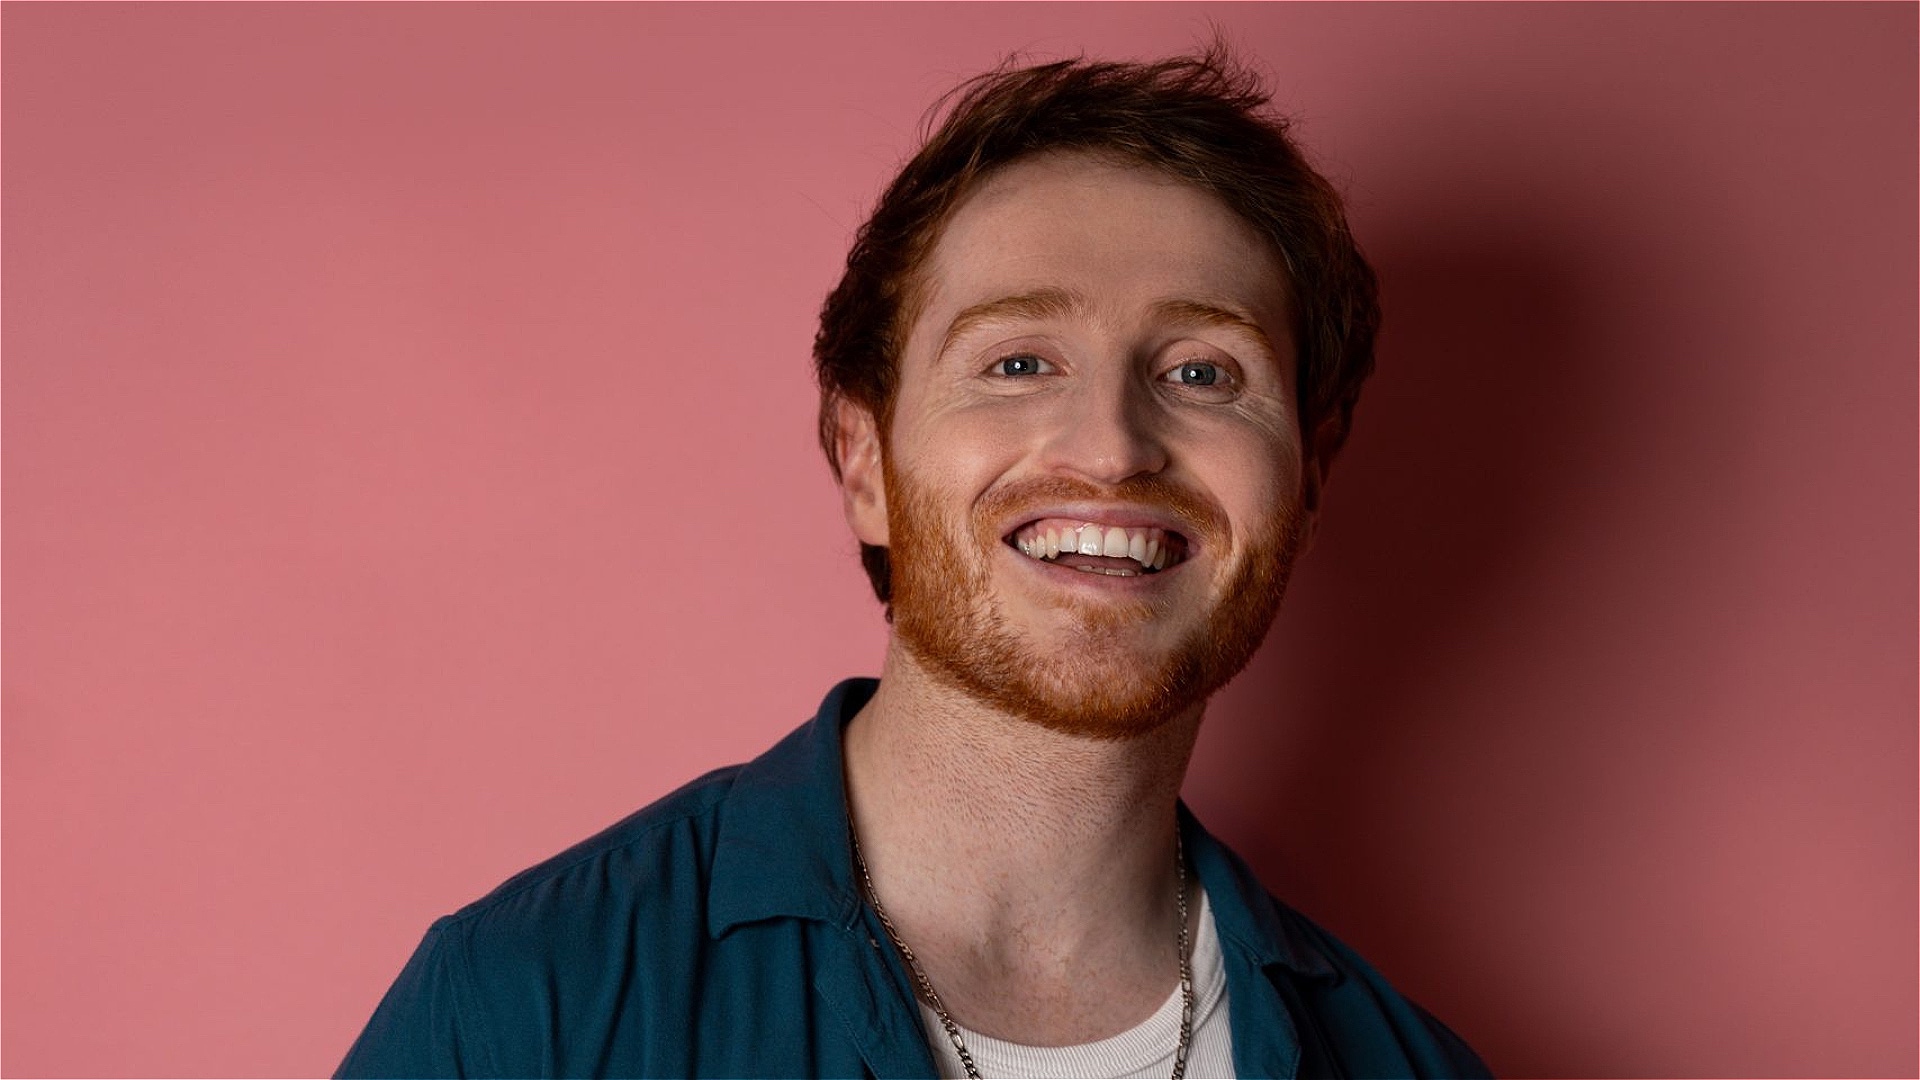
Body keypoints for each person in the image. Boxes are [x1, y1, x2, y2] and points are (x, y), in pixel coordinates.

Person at [339, 48, 1491, 1080]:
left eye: (1202, 373)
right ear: (863, 460)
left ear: (1308, 471)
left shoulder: (1409, 1065)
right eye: (1019, 361)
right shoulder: (526, 1010)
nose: (1112, 446)